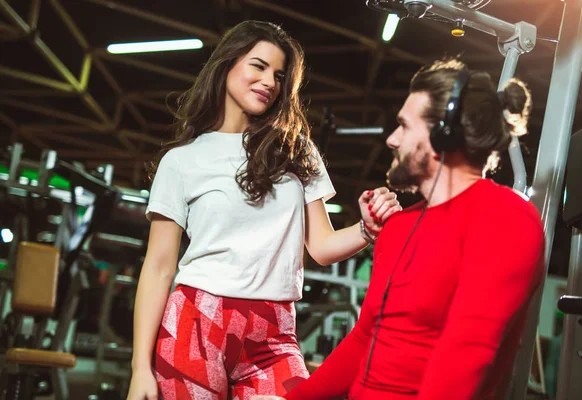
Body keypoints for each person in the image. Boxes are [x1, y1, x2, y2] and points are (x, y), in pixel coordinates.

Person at [126, 20, 401, 400]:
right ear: (227, 65)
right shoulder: (181, 161)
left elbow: (320, 247)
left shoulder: (295, 149)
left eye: (279, 75)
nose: (269, 81)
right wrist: (140, 366)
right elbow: (157, 267)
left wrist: (367, 229)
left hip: (274, 332)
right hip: (196, 323)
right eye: (258, 66)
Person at [253, 57, 546, 400]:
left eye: (404, 126)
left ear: (443, 135)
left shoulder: (506, 219)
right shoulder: (398, 228)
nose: (392, 139)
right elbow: (365, 338)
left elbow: (466, 356)